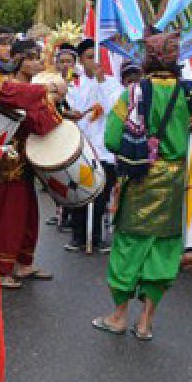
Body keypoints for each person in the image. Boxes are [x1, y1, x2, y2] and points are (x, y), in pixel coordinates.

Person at [92, 31, 192, 341]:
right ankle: (146, 323)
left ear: (146, 60)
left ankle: (119, 317)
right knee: (163, 249)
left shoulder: (132, 93)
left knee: (128, 247)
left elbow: (111, 139)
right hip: (177, 180)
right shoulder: (191, 94)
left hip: (139, 179)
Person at [0, 39, 64, 287]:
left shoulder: (31, 86)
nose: (36, 62)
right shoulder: (12, 88)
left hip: (27, 158)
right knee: (10, 214)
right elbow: (37, 122)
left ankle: (24, 263)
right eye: (30, 58)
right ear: (18, 59)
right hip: (10, 159)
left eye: (38, 57)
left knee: (29, 212)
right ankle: (2, 268)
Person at [65, 39, 123, 254]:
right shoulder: (74, 84)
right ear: (80, 60)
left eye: (98, 57)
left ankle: (97, 237)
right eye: (90, 57)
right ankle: (78, 236)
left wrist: (101, 82)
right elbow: (70, 110)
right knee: (79, 194)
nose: (95, 62)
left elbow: (113, 110)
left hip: (104, 150)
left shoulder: (113, 84)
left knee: (100, 196)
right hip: (80, 148)